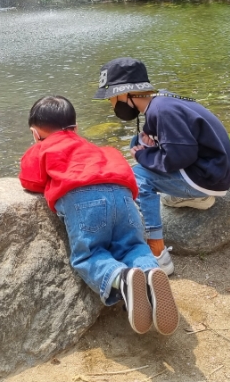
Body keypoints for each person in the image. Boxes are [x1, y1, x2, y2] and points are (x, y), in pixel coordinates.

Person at [19, 95, 179, 335]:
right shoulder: (96, 149)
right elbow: (127, 176)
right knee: (134, 246)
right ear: (76, 128)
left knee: (90, 255)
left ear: (35, 133)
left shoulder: (42, 148)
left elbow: (30, 181)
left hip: (84, 201)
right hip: (124, 196)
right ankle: (149, 270)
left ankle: (121, 278)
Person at [93, 58, 230, 276]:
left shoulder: (161, 110)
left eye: (112, 97)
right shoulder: (162, 101)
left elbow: (179, 157)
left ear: (126, 94)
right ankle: (195, 197)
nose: (113, 104)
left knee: (138, 177)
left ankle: (157, 251)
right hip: (213, 169)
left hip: (208, 177)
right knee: (136, 143)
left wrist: (145, 157)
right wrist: (149, 146)